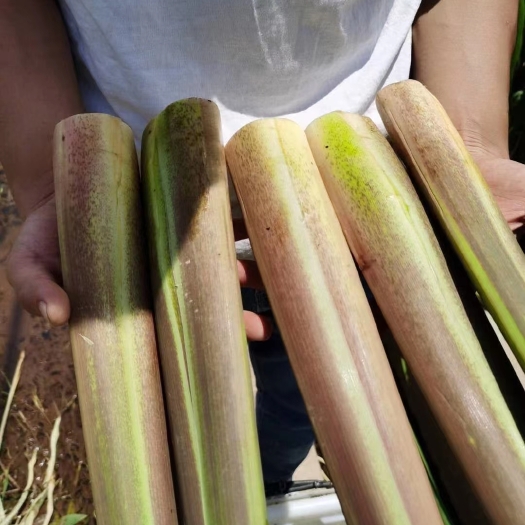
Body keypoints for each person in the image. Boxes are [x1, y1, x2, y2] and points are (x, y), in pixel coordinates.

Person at [1, 0, 523, 489]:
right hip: (137, 219)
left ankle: (270, 478)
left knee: (308, 398)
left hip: (371, 211)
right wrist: (53, 184)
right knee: (174, 413)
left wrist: (466, 149)